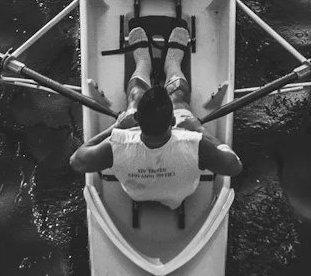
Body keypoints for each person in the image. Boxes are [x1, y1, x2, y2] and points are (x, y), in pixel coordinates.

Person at [70, 83, 241, 206]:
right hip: (180, 198)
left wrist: (115, 127)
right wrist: (199, 128)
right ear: (173, 121)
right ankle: (173, 61)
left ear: (137, 120)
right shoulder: (196, 144)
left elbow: (77, 161)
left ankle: (142, 60)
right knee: (178, 95)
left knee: (136, 93)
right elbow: (235, 166)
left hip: (136, 195)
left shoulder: (117, 143)